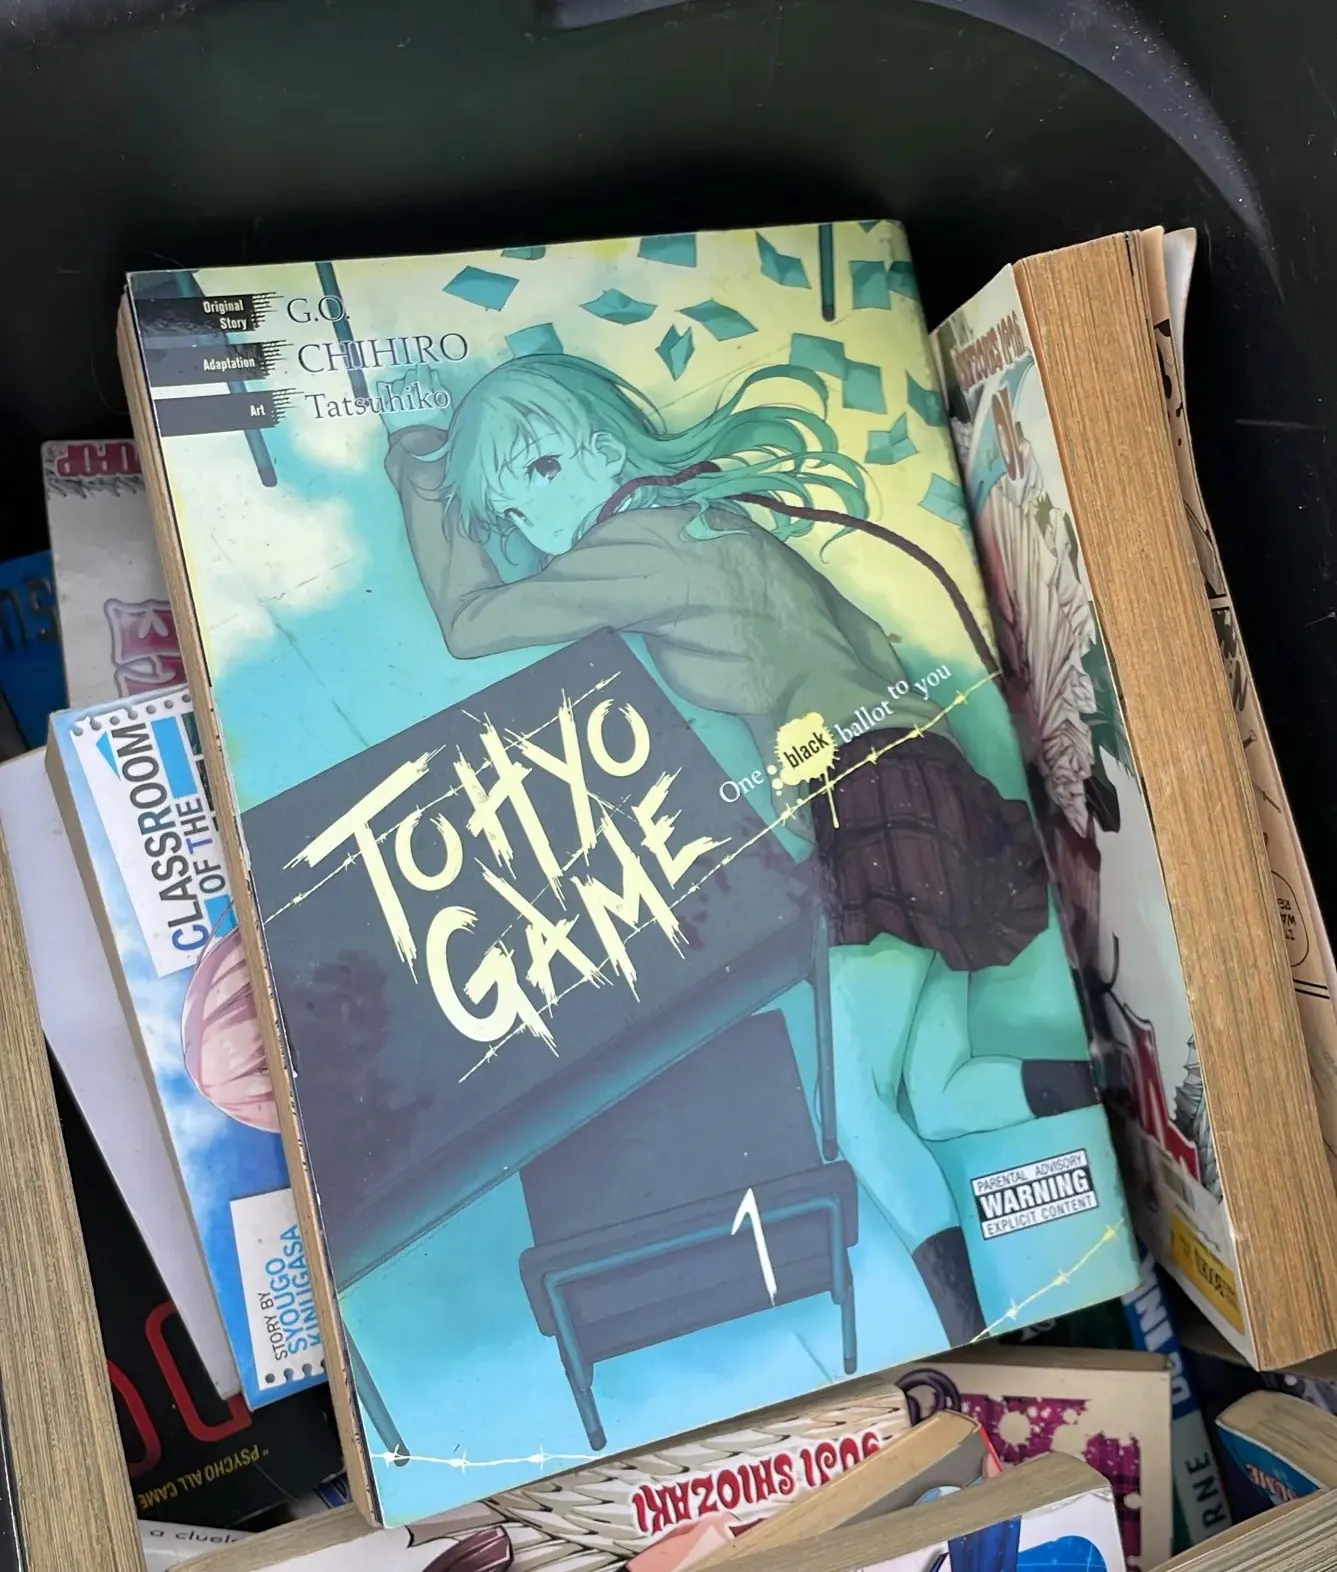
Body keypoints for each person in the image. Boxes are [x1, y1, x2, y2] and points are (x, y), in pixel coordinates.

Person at [379, 352, 1096, 1344]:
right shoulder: (712, 520)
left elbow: (471, 625)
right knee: (935, 1095)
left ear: (603, 449)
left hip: (871, 802)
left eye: (541, 470)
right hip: (923, 783)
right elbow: (869, 648)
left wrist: (420, 473)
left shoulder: (639, 547)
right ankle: (1107, 1103)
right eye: (509, 510)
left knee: (852, 1118)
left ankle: (978, 1338)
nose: (534, 524)